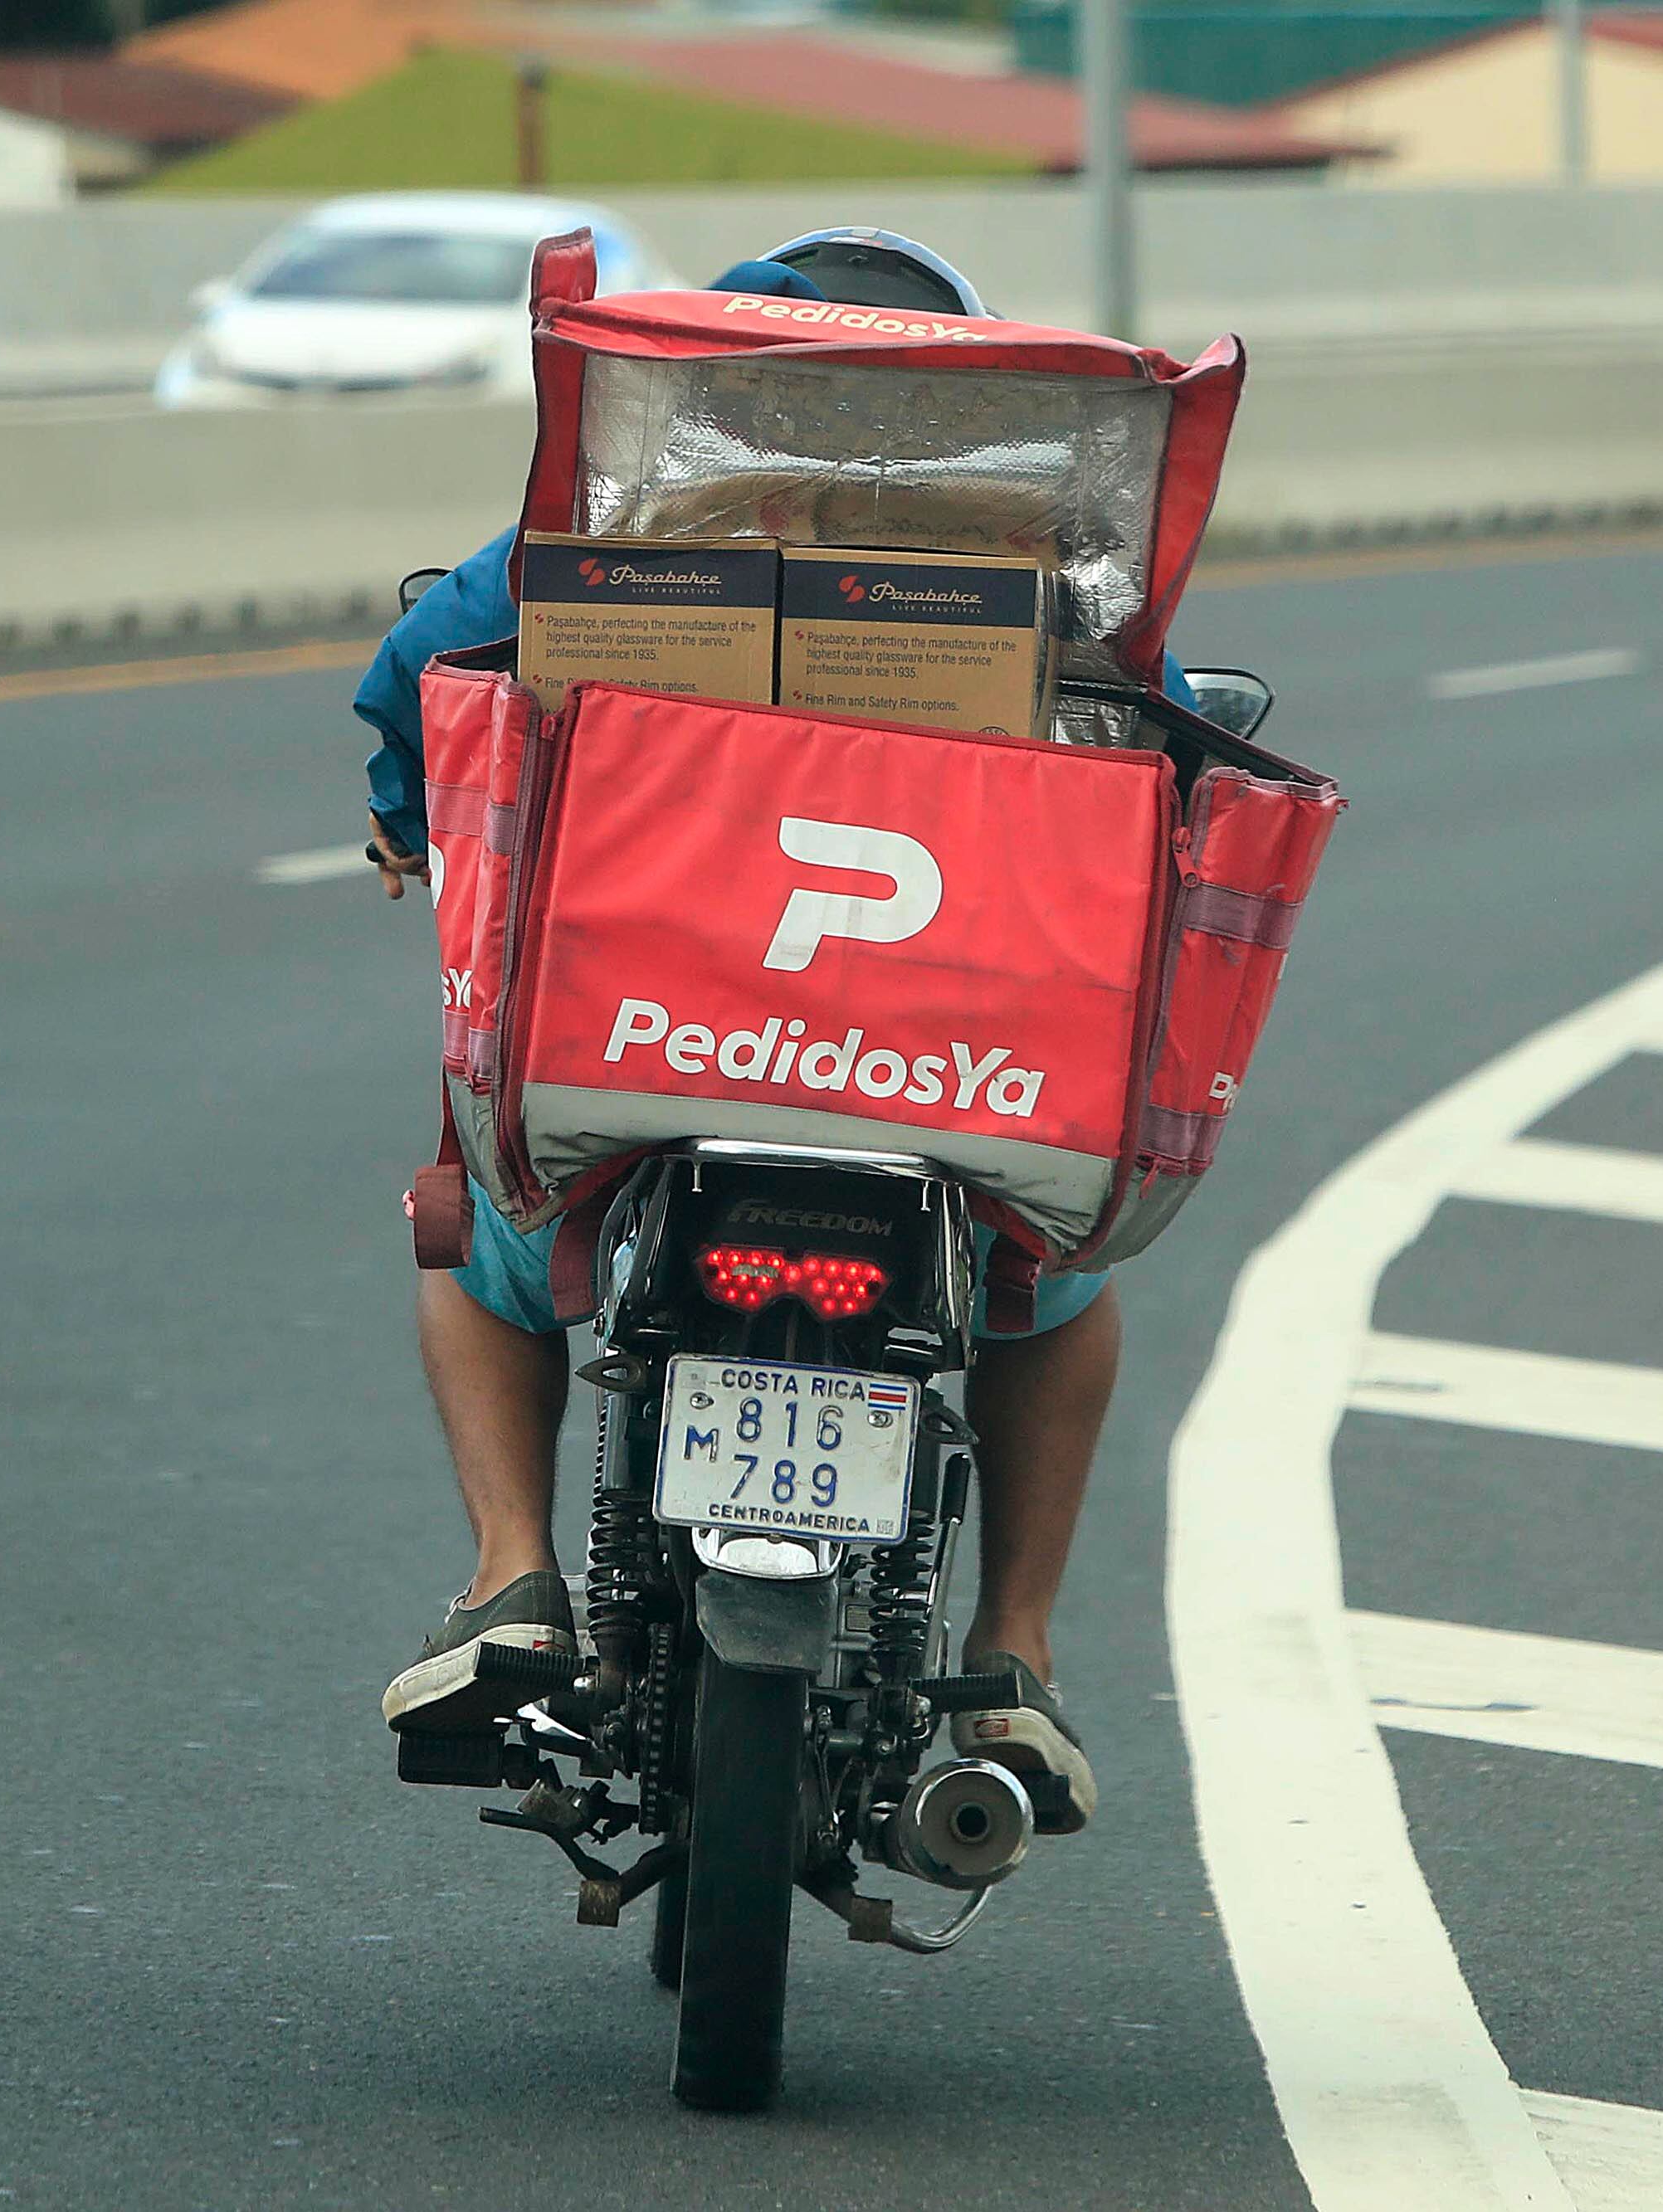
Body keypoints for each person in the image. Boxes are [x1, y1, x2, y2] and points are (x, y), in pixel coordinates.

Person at [351, 230, 1188, 1836]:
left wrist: (405, 811)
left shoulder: (630, 533)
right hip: (937, 1067)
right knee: (1058, 1287)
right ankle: (1011, 1650)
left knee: (472, 1234)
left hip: (650, 1049)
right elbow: (1152, 753)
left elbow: (421, 675)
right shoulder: (1032, 567)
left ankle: (513, 1573)